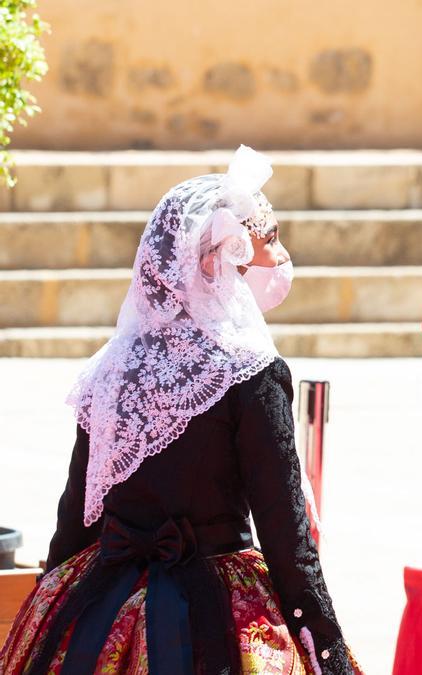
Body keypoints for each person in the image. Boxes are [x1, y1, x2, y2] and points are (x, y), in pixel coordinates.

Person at [0, 146, 360, 674]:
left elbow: (78, 513)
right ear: (220, 261)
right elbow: (286, 535)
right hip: (213, 611)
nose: (278, 259)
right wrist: (325, 647)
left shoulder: (112, 367)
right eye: (269, 241)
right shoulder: (250, 372)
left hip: (104, 601)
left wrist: (52, 609)